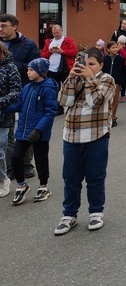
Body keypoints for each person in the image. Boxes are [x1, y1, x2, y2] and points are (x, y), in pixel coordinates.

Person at [55, 47, 115, 235]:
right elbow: (63, 101)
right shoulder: (74, 78)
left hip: (95, 136)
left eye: (92, 64)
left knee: (95, 177)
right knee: (70, 178)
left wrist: (89, 78)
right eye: (83, 64)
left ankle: (96, 212)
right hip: (71, 137)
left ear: (101, 65)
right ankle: (69, 215)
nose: (86, 67)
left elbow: (96, 101)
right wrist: (72, 77)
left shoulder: (107, 80)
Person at [4, 58, 58, 205]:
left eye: (31, 70)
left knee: (41, 159)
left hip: (39, 132)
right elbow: (20, 105)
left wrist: (39, 129)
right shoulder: (27, 87)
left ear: (41, 72)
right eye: (28, 69)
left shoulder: (49, 88)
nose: (28, 72)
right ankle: (21, 185)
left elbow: (50, 112)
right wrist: (3, 108)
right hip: (23, 130)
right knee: (16, 157)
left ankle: (43, 186)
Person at [0, 14, 41, 180]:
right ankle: (11, 165)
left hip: (25, 90)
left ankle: (26, 164)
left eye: (4, 26)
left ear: (15, 26)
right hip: (4, 95)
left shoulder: (28, 44)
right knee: (7, 132)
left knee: (25, 127)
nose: (1, 29)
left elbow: (37, 66)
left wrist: (12, 65)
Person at [0, 43, 22, 198]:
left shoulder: (10, 68)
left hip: (3, 115)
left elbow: (16, 92)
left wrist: (0, 101)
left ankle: (3, 179)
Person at [102, 41, 126, 127]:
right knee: (106, 100)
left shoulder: (120, 59)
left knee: (115, 100)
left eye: (116, 47)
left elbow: (124, 70)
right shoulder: (105, 59)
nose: (115, 49)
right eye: (113, 48)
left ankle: (113, 117)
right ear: (108, 49)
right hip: (105, 82)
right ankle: (106, 117)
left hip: (116, 82)